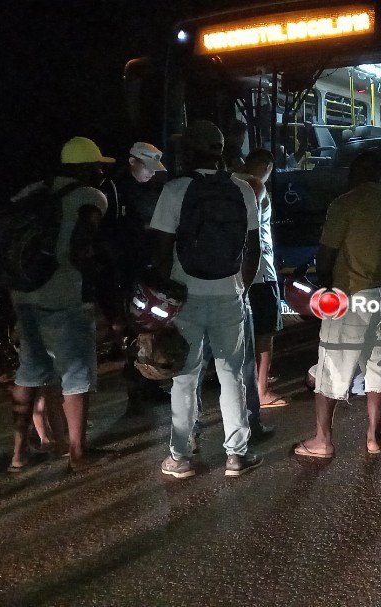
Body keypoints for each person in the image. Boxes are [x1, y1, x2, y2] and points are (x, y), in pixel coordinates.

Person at [150, 119, 264, 479]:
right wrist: (240, 289)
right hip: (229, 293)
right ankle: (236, 455)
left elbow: (161, 250)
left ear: (188, 151)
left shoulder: (175, 190)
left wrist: (165, 295)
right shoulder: (243, 190)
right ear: (221, 150)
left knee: (185, 377)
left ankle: (179, 457)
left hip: (185, 297)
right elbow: (253, 249)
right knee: (232, 375)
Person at [8, 136, 113, 473]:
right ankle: (78, 452)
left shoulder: (32, 192)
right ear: (85, 167)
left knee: (30, 371)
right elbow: (83, 248)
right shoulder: (90, 197)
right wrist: (99, 295)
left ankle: (18, 454)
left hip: (24, 291)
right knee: (76, 374)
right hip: (65, 295)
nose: (101, 172)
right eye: (97, 166)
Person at [293, 151, 381, 458]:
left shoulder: (344, 204)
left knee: (330, 368)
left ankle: (323, 441)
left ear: (354, 174)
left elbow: (326, 254)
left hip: (349, 297)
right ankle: (373, 438)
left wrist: (325, 290)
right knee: (376, 367)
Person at [100, 142, 167, 406]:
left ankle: (148, 384)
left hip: (145, 269)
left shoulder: (150, 188)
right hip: (123, 274)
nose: (151, 172)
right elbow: (107, 235)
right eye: (147, 167)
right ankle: (137, 390)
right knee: (132, 331)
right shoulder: (114, 189)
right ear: (132, 162)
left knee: (149, 327)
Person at [233, 149, 286, 411]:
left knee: (239, 334)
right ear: (266, 166)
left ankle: (242, 387)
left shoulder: (229, 181)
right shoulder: (255, 186)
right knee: (265, 334)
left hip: (234, 272)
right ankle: (261, 391)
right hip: (260, 273)